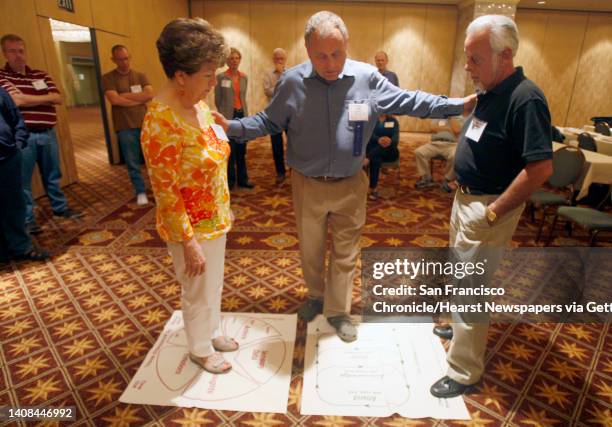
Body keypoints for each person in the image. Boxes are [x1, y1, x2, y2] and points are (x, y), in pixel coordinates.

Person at [213, 11, 476, 342]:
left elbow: (410, 100)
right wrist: (233, 127)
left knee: (346, 251)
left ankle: (338, 311)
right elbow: (268, 121)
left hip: (351, 183)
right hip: (307, 184)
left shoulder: (367, 79)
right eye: (320, 55)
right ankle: (316, 296)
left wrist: (456, 105)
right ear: (308, 51)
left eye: (336, 53)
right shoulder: (292, 82)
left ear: (347, 46)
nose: (329, 62)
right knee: (310, 249)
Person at [430, 15, 553, 399]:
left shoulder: (525, 98)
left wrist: (494, 211)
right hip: (466, 200)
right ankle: (458, 329)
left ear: (505, 55)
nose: (467, 67)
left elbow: (540, 169)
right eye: (467, 58)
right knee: (460, 275)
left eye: (474, 59)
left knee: (471, 288)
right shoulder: (490, 90)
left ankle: (464, 371)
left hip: (486, 208)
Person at [141, 18, 238, 374]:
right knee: (195, 290)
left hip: (215, 216)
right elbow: (165, 194)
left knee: (213, 283)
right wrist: (188, 242)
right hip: (190, 228)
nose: (213, 84)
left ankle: (211, 332)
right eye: (207, 76)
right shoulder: (160, 123)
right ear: (180, 75)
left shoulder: (196, 106)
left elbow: (213, 152)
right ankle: (199, 348)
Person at [0, 34, 82, 235]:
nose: (18, 55)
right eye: (12, 51)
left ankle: (59, 208)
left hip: (47, 133)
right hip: (23, 136)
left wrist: (26, 98)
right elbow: (14, 102)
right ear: (4, 53)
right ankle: (28, 219)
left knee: (53, 174)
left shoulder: (40, 75)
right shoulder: (2, 77)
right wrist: (41, 99)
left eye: (21, 50)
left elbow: (57, 98)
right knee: (23, 181)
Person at [0, 87, 49, 262]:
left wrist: (18, 145)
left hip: (8, 157)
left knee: (14, 204)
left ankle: (21, 247)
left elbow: (16, 119)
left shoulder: (1, 92)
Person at [102, 45, 154, 206]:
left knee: (152, 160)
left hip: (145, 124)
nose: (124, 62)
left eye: (126, 58)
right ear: (113, 60)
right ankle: (140, 191)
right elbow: (114, 100)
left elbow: (150, 94)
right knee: (132, 162)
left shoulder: (140, 75)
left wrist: (125, 96)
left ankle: (158, 189)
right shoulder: (108, 78)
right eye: (120, 59)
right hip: (124, 126)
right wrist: (139, 99)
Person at [215, 47, 254, 189]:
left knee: (241, 149)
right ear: (227, 61)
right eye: (231, 58)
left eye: (237, 58)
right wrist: (223, 115)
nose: (234, 61)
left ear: (240, 60)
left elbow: (242, 97)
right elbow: (217, 100)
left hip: (241, 115)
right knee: (229, 149)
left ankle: (243, 180)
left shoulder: (244, 77)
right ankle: (230, 181)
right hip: (227, 117)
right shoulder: (221, 77)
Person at [414, 116, 464, 192]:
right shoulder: (438, 116)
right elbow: (432, 129)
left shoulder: (458, 117)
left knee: (455, 156)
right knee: (419, 152)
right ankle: (426, 178)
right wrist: (448, 128)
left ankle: (447, 179)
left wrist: (450, 118)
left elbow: (457, 130)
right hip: (434, 143)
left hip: (451, 144)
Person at [263, 48, 288, 184]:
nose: (279, 61)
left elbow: (292, 91)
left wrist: (282, 76)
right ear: (273, 60)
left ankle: (294, 169)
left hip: (290, 113)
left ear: (285, 59)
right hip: (274, 113)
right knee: (276, 144)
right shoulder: (268, 74)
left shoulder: (290, 73)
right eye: (276, 59)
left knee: (294, 143)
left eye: (281, 59)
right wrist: (281, 84)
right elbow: (267, 91)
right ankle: (280, 171)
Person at [363, 114, 399, 200]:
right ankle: (373, 188)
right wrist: (378, 139)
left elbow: (396, 137)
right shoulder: (371, 119)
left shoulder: (393, 120)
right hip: (374, 149)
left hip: (390, 151)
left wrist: (390, 141)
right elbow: (368, 134)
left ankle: (368, 158)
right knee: (375, 159)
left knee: (375, 155)